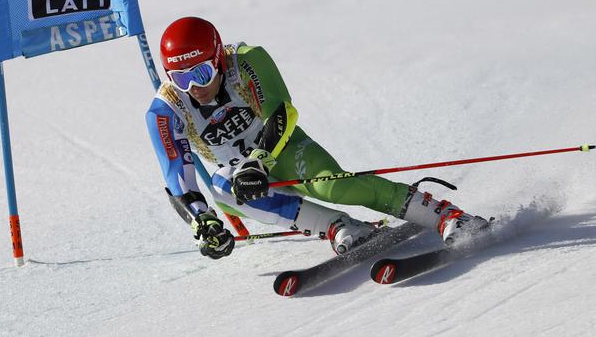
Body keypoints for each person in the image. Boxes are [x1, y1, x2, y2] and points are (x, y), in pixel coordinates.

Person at [146, 16, 488, 259]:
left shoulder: (246, 61)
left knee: (333, 187)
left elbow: (282, 111)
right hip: (243, 176)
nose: (195, 88)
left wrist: (258, 160)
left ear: (219, 58)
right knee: (222, 189)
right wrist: (202, 222)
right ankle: (338, 227)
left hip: (280, 148)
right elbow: (178, 177)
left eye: (202, 73)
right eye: (181, 78)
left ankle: (448, 216)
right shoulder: (166, 110)